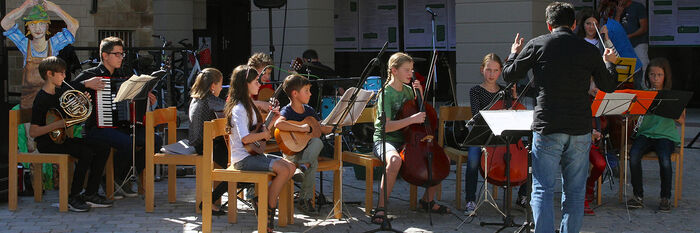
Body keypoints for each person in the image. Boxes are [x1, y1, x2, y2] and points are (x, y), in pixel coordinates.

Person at [502, 2, 618, 232]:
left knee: (542, 188)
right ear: (574, 24)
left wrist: (513, 53)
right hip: (579, 127)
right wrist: (609, 63)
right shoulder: (589, 49)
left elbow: (509, 75)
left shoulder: (538, 44)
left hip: (548, 125)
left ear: (548, 24)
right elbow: (608, 85)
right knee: (574, 191)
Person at [73, 36, 161, 199]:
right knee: (128, 142)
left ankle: (120, 176)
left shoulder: (124, 74)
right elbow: (66, 91)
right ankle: (113, 179)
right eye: (117, 54)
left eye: (122, 54)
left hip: (123, 125)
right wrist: (85, 84)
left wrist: (146, 96)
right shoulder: (90, 74)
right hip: (96, 127)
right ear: (105, 55)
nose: (121, 57)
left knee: (154, 139)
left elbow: (133, 98)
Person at [370, 52, 449, 224]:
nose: (411, 74)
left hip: (408, 140)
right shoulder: (385, 94)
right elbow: (386, 126)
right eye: (407, 70)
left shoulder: (408, 90)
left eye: (411, 70)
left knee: (439, 158)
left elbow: (420, 115)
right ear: (394, 70)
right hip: (385, 140)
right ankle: (381, 208)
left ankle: (427, 201)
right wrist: (411, 119)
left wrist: (419, 96)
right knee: (394, 161)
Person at [29, 56, 112, 212]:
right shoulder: (41, 99)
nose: (64, 76)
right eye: (61, 73)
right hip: (48, 143)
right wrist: (58, 124)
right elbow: (33, 132)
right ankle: (73, 197)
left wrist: (82, 103)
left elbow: (68, 119)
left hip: (62, 139)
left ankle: (90, 193)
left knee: (103, 147)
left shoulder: (60, 92)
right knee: (86, 152)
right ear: (49, 74)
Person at [2, 0, 81, 155]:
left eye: (41, 24)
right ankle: (33, 176)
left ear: (47, 26)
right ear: (28, 28)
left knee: (56, 142)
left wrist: (55, 8)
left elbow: (74, 26)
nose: (37, 28)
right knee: (32, 146)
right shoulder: (25, 45)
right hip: (30, 103)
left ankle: (55, 176)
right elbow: (5, 23)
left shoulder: (55, 43)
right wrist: (24, 7)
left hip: (51, 101)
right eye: (33, 24)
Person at [224, 65, 295, 232]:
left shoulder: (249, 104)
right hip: (243, 159)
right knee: (284, 170)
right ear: (245, 84)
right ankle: (267, 210)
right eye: (256, 81)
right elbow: (246, 139)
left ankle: (262, 203)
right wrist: (264, 135)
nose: (259, 84)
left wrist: (273, 119)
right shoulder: (239, 109)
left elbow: (259, 129)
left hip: (253, 155)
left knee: (291, 167)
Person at [464, 53, 523, 215]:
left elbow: (514, 115)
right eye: (488, 70)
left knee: (528, 157)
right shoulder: (475, 91)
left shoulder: (506, 91)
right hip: (482, 135)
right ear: (482, 70)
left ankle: (523, 196)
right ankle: (470, 200)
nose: (491, 74)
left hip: (502, 136)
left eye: (495, 70)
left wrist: (514, 98)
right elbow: (476, 115)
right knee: (473, 160)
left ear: (500, 71)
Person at [627, 57, 685, 213]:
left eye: (659, 75)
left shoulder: (672, 95)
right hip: (645, 134)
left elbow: (681, 120)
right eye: (652, 75)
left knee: (665, 160)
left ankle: (665, 198)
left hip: (665, 136)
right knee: (633, 155)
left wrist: (667, 108)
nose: (655, 78)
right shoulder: (643, 94)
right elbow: (631, 117)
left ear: (665, 76)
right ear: (648, 76)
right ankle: (638, 196)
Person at [274, 74, 333, 214]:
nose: (310, 93)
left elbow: (320, 128)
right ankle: (304, 200)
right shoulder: (287, 110)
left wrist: (332, 126)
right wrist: (301, 128)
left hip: (307, 153)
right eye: (306, 90)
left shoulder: (310, 111)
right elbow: (278, 123)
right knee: (314, 163)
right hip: (292, 154)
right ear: (295, 94)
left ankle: (304, 166)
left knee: (317, 141)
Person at [577, 9, 612, 216]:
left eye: (595, 24)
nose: (592, 27)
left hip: (598, 95)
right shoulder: (578, 44)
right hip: (583, 99)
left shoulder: (601, 43)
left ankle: (589, 188)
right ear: (582, 25)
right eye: (588, 23)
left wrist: (606, 38)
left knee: (599, 161)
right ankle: (580, 195)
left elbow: (612, 65)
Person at [187, 68, 227, 215]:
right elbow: (232, 108)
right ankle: (209, 201)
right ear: (212, 86)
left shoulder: (197, 97)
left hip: (199, 143)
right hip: (205, 146)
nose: (222, 88)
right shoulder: (209, 100)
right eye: (220, 84)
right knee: (236, 166)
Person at [615, 0, 648, 79]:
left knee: (643, 66)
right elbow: (615, 27)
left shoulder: (638, 7)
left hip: (638, 43)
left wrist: (630, 36)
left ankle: (645, 87)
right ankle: (626, 88)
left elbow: (644, 28)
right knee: (624, 68)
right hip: (624, 45)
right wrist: (618, 13)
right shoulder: (618, 9)